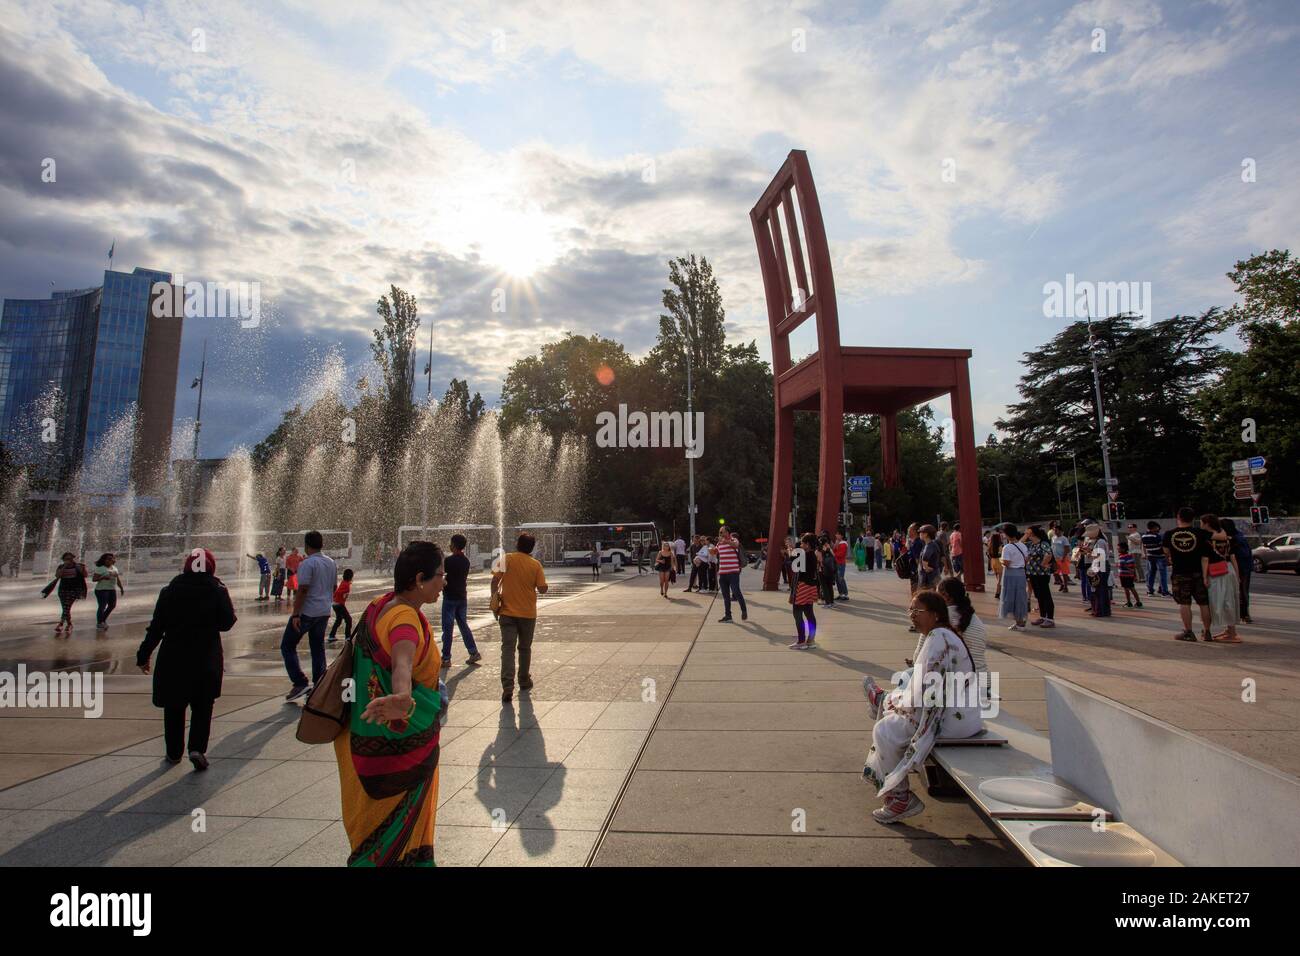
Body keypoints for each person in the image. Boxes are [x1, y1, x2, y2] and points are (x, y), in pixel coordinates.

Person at [335, 540, 446, 866]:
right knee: (395, 838)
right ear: (420, 579)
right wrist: (402, 697)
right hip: (397, 749)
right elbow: (402, 662)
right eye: (440, 575)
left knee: (374, 834)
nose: (444, 582)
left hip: (363, 741)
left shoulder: (379, 605)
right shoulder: (405, 620)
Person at [862, 590, 983, 823]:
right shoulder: (943, 634)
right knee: (905, 684)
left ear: (935, 614)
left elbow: (926, 693)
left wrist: (898, 705)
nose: (912, 615)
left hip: (951, 720)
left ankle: (900, 798)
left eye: (918, 611)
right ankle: (882, 700)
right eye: (910, 610)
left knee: (884, 730)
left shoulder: (938, 638)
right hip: (962, 714)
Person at [136, 548, 237, 772]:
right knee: (203, 705)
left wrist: (143, 655)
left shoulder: (170, 590)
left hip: (174, 656)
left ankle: (173, 752)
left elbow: (156, 627)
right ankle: (197, 749)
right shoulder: (217, 590)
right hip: (206, 656)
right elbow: (227, 622)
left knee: (174, 705)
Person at [492, 532, 548, 703]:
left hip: (507, 613)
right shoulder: (536, 565)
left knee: (507, 649)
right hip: (528, 614)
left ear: (517, 544)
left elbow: (494, 581)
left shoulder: (506, 558)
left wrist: (494, 598)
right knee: (524, 648)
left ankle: (507, 687)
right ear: (532, 548)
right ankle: (524, 680)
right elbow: (542, 588)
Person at [281, 531, 338, 701]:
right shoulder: (331, 562)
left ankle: (300, 682)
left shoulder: (308, 563)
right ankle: (319, 685)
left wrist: (296, 614)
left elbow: (303, 589)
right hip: (324, 611)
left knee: (287, 645)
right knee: (317, 648)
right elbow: (334, 587)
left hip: (307, 612)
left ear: (306, 545)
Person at [1164, 507, 1214, 642]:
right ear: (1193, 519)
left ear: (1178, 517)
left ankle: (1188, 632)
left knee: (1184, 603)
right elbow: (1215, 541)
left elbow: (1166, 552)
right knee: (1203, 603)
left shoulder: (1169, 534)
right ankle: (1207, 631)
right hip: (1198, 572)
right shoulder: (1200, 533)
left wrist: (1171, 558)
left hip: (1180, 572)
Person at [440, 534, 481, 665]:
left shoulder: (449, 561)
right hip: (462, 597)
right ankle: (473, 652)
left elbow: (442, 574)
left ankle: (446, 658)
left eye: (451, 543)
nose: (449, 545)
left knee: (448, 628)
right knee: (463, 625)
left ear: (454, 545)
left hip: (450, 598)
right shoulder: (466, 561)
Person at [1201, 515, 1243, 644]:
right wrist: (1237, 575)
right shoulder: (1228, 538)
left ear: (1207, 524)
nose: (1201, 525)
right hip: (1229, 569)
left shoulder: (1207, 539)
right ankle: (1231, 630)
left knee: (1218, 601)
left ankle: (1231, 633)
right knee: (1230, 600)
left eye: (1202, 522)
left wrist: (1204, 577)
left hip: (1216, 572)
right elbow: (1233, 557)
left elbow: (1205, 559)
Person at [937, 577, 989, 676]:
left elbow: (919, 657)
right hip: (984, 679)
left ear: (946, 596)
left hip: (959, 680)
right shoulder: (975, 619)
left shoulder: (939, 618)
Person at [42, 552, 87, 634]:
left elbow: (85, 575)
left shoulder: (78, 566)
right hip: (63, 589)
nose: (69, 560)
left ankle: (61, 624)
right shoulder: (61, 566)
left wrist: (82, 569)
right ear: (63, 560)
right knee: (65, 608)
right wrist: (64, 567)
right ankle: (69, 624)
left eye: (70, 559)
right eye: (66, 559)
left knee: (67, 606)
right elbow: (57, 576)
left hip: (74, 589)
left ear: (73, 558)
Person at [790, 534, 819, 648]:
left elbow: (794, 566)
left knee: (797, 613)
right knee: (809, 613)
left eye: (802, 543)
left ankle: (801, 641)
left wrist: (791, 551)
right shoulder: (812, 555)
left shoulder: (805, 555)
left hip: (802, 587)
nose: (801, 545)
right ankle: (811, 640)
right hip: (811, 587)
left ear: (807, 544)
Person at [1024, 526, 1056, 628]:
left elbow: (1048, 554)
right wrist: (1025, 536)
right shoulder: (1031, 544)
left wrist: (1043, 563)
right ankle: (1042, 616)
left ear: (1033, 533)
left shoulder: (1043, 543)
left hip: (1042, 574)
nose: (1026, 534)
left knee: (1046, 595)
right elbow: (1019, 543)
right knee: (1039, 596)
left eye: (1028, 532)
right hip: (1032, 574)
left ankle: (1050, 619)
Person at [1222, 518, 1253, 624]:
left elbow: (1234, 556)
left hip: (1240, 567)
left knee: (1240, 591)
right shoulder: (1240, 536)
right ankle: (1245, 614)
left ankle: (1243, 614)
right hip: (1245, 567)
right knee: (1244, 591)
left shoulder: (1233, 539)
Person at [998, 524, 1029, 629]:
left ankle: (1019, 622)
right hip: (1021, 573)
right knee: (1020, 597)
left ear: (1006, 534)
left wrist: (1001, 560)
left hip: (1011, 574)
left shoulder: (1007, 547)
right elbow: (1026, 559)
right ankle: (1020, 620)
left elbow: (1006, 563)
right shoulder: (1023, 545)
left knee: (1011, 597)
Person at [716, 528, 748, 622]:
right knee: (725, 596)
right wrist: (712, 550)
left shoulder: (733, 539)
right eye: (719, 532)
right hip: (722, 573)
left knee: (736, 591)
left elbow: (735, 545)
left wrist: (725, 541)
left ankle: (744, 610)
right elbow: (715, 552)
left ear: (727, 532)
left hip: (733, 572)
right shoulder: (719, 543)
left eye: (721, 532)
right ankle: (728, 616)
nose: (720, 533)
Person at [92, 553, 125, 631]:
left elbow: (117, 579)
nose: (110, 560)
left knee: (112, 605)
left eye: (112, 558)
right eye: (108, 559)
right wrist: (103, 577)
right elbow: (94, 579)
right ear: (104, 560)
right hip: (101, 590)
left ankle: (102, 620)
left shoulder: (114, 568)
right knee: (102, 606)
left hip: (112, 589)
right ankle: (100, 623)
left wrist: (121, 588)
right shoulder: (100, 568)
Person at [1084, 524, 1111, 617]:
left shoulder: (1100, 542)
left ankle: (1100, 611)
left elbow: (1100, 556)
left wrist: (1089, 553)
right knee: (1101, 588)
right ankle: (1103, 610)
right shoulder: (1100, 541)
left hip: (1101, 565)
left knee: (1099, 589)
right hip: (1101, 564)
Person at [1141, 521, 1170, 596]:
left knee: (1151, 574)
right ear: (1154, 528)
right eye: (1157, 528)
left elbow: (1144, 546)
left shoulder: (1143, 536)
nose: (1158, 529)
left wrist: (1145, 554)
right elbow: (1164, 547)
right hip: (1160, 556)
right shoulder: (1158, 537)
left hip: (1150, 556)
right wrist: (1167, 558)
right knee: (1163, 574)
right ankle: (1164, 592)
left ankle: (1150, 591)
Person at [330, 568, 355, 643]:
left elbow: (337, 593)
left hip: (335, 604)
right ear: (350, 576)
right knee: (349, 620)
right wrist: (344, 596)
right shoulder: (346, 585)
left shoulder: (343, 582)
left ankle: (331, 636)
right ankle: (348, 637)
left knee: (338, 620)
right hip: (339, 605)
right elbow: (342, 595)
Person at [1116, 541, 1142, 608]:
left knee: (1126, 589)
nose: (1117, 549)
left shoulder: (1122, 557)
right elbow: (1133, 566)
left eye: (1119, 548)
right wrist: (1134, 575)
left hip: (1124, 576)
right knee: (1132, 588)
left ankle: (1129, 602)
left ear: (1123, 549)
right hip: (1129, 575)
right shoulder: (1129, 556)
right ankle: (1138, 602)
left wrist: (1122, 566)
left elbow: (1123, 566)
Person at [918, 525, 942, 589]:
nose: (919, 534)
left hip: (930, 579)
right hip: (933, 576)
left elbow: (925, 564)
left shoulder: (929, 546)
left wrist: (927, 568)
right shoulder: (932, 544)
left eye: (921, 532)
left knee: (930, 594)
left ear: (926, 534)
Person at [1050, 524, 1071, 593]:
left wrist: (1063, 557)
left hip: (1063, 558)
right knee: (1055, 573)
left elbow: (1067, 549)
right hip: (1055, 558)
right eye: (1054, 530)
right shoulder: (1053, 538)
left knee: (1064, 573)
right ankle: (1061, 584)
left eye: (1056, 530)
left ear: (1060, 531)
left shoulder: (1064, 538)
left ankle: (1065, 587)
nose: (1055, 531)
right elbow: (1052, 547)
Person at [987, 525, 1005, 598]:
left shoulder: (990, 546)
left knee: (998, 578)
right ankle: (998, 593)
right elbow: (1002, 555)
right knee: (1000, 579)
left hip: (993, 562)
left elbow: (988, 554)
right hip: (999, 562)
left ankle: (999, 592)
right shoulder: (999, 546)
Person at [1126, 523, 1146, 588]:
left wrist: (1130, 538)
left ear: (1135, 528)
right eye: (1128, 527)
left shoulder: (1136, 534)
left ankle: (1142, 578)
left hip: (1136, 552)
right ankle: (1135, 578)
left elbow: (1138, 542)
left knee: (1137, 565)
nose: (1129, 528)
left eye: (1131, 527)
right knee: (1132, 566)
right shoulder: (1131, 535)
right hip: (1131, 552)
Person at [833, 531, 850, 599]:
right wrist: (835, 546)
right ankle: (841, 593)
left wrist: (834, 554)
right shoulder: (837, 543)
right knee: (837, 579)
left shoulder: (843, 543)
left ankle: (845, 594)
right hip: (837, 563)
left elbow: (840, 554)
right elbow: (834, 551)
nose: (836, 535)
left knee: (841, 578)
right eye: (836, 534)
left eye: (838, 534)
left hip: (840, 563)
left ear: (841, 536)